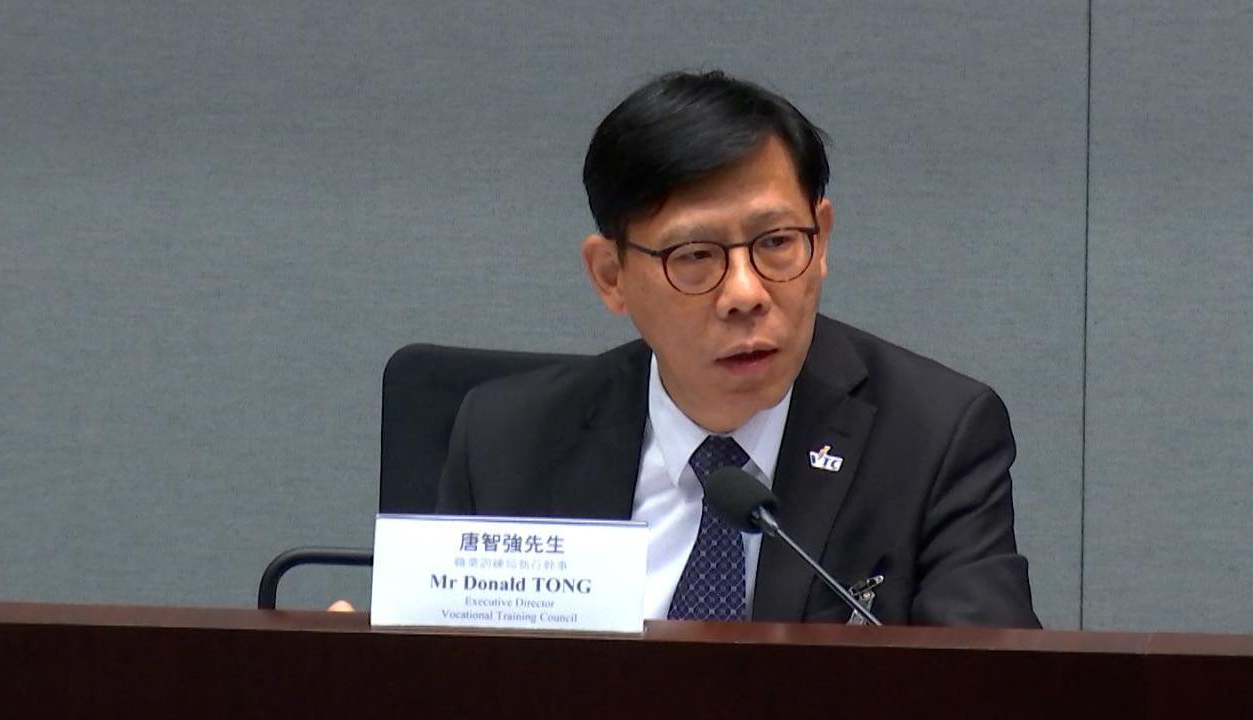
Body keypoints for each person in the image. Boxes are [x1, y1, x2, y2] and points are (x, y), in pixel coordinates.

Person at [435, 70, 1040, 627]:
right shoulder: (506, 443)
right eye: (695, 255)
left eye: (776, 242)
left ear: (821, 241)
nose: (745, 294)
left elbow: (994, 685)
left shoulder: (934, 438)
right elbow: (444, 672)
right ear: (611, 276)